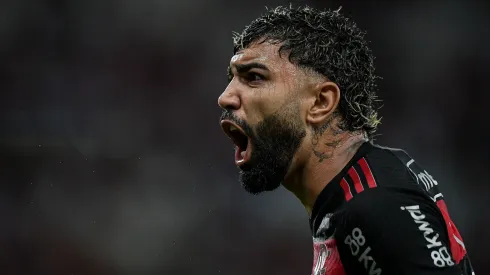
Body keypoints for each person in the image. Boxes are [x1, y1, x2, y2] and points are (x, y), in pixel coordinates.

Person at [217, 5, 474, 275]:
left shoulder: (374, 206)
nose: (225, 97)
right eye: (231, 78)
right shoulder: (354, 193)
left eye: (254, 77)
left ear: (320, 102)